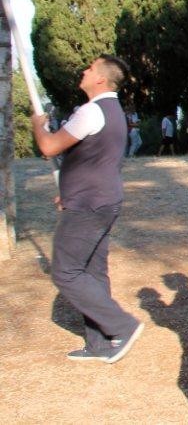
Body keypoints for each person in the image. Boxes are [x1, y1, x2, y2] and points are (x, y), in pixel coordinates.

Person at [31, 55, 145, 363]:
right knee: (93, 272)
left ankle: (123, 325)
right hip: (101, 199)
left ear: (100, 79)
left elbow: (49, 147)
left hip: (89, 204)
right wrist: (69, 190)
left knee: (65, 271)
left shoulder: (92, 111)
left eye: (90, 68)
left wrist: (38, 127)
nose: (84, 71)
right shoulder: (114, 112)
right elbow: (94, 159)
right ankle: (100, 343)